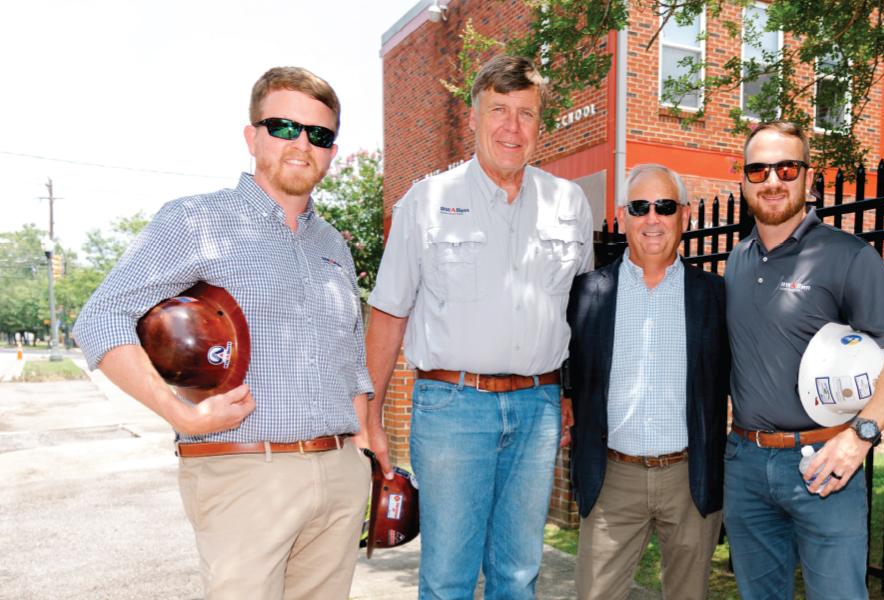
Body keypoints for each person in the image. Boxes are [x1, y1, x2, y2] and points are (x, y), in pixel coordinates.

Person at [73, 67, 373, 600]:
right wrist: (182, 415)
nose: (302, 144)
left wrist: (365, 446)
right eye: (284, 127)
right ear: (251, 135)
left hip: (339, 473)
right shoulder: (196, 220)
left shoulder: (333, 244)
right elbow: (101, 318)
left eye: (320, 135)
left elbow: (351, 356)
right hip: (243, 473)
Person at [364, 54, 594, 599]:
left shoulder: (570, 204)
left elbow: (582, 313)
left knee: (519, 575)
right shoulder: (427, 202)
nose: (512, 128)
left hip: (537, 410)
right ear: (472, 116)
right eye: (498, 110)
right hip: (452, 408)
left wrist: (569, 394)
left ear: (542, 124)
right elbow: (389, 313)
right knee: (448, 578)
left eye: (526, 113)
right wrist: (369, 415)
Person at [723, 120, 884, 599]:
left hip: (824, 463)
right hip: (746, 466)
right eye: (758, 171)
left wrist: (861, 436)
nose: (772, 181)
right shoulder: (737, 260)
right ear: (743, 182)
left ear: (809, 178)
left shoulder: (845, 255)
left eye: (786, 168)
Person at [567, 164, 728, 600]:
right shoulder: (585, 293)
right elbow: (567, 369)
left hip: (688, 479)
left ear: (685, 216)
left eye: (665, 206)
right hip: (613, 478)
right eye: (640, 207)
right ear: (622, 217)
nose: (652, 219)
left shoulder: (716, 295)